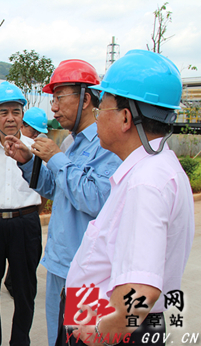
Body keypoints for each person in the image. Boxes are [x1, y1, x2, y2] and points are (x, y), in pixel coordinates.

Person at [56, 50, 196, 346]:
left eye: (101, 106)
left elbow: (141, 290)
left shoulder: (146, 183)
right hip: (110, 318)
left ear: (125, 117)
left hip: (110, 327)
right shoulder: (158, 168)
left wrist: (102, 333)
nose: (96, 116)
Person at [3, 59, 122, 346]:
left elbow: (94, 199)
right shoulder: (70, 143)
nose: (53, 107)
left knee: (82, 339)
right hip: (59, 262)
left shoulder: (106, 145)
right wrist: (29, 161)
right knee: (57, 337)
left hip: (89, 271)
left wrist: (55, 158)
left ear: (85, 98)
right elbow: (57, 189)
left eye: (59, 98)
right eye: (52, 98)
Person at [0, 82, 42, 346]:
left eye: (16, 111)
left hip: (26, 224)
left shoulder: (37, 148)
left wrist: (24, 211)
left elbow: (43, 190)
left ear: (23, 114)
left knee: (25, 291)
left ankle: (20, 341)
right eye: (3, 112)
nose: (10, 117)